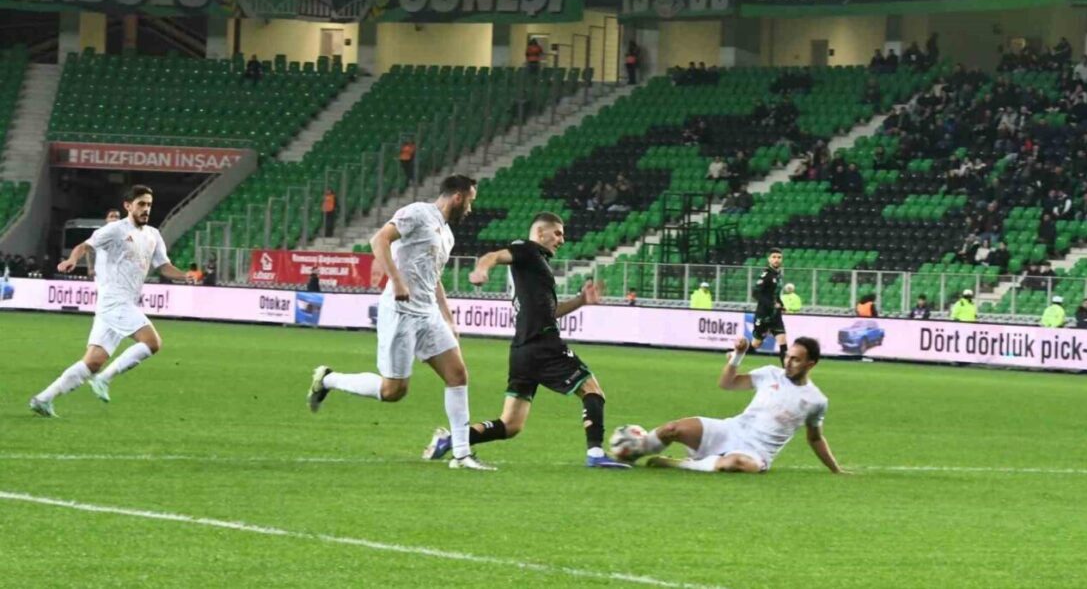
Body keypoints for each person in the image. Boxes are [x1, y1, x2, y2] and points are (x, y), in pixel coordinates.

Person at [306, 175, 494, 471]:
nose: (470, 208)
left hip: (428, 314)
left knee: (457, 375)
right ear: (457, 197)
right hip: (400, 311)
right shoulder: (418, 212)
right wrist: (397, 281)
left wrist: (448, 317)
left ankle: (462, 454)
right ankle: (328, 379)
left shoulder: (447, 234)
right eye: (470, 200)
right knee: (394, 391)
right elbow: (378, 239)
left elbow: (434, 278)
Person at [421, 212, 629, 469]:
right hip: (544, 345)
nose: (561, 240)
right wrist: (481, 270)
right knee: (592, 390)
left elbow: (549, 312)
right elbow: (494, 256)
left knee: (510, 425)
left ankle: (452, 439)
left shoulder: (537, 264)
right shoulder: (526, 250)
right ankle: (596, 453)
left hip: (523, 350)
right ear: (540, 233)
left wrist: (581, 301)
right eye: (558, 233)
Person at [29, 185, 191, 417]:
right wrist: (72, 260)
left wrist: (185, 275)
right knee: (152, 343)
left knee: (93, 361)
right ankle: (104, 379)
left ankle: (43, 399)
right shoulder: (115, 230)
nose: (146, 209)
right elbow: (85, 246)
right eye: (141, 204)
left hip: (121, 305)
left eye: (149, 205)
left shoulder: (153, 235)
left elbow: (163, 266)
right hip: (114, 301)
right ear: (128, 206)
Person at [632, 336, 847, 475]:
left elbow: (815, 438)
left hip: (757, 452)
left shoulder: (816, 400)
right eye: (787, 357)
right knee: (672, 429)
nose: (788, 363)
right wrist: (737, 357)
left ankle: (677, 464)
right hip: (731, 429)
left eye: (796, 360)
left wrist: (835, 470)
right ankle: (631, 453)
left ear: (811, 364)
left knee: (732, 463)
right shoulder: (770, 373)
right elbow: (727, 383)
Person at [750, 248, 787, 366]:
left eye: (779, 257)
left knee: (783, 341)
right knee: (756, 344)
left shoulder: (778, 275)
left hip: (775, 315)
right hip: (763, 314)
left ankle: (787, 373)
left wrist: (781, 305)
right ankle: (736, 355)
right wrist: (771, 304)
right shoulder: (766, 274)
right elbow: (755, 293)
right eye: (774, 257)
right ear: (769, 259)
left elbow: (774, 294)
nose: (776, 260)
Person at [83, 208, 120, 279]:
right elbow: (89, 249)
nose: (114, 219)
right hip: (102, 273)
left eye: (117, 217)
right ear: (107, 219)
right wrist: (90, 268)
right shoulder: (98, 233)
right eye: (111, 216)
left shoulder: (125, 234)